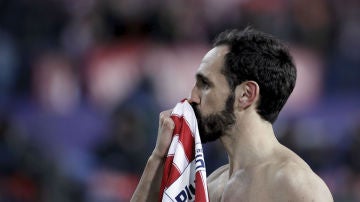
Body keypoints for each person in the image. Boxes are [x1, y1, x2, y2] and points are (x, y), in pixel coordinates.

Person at [131, 27, 333, 201]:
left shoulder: (296, 185)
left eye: (205, 85)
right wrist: (159, 157)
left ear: (246, 94)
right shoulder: (212, 185)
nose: (192, 97)